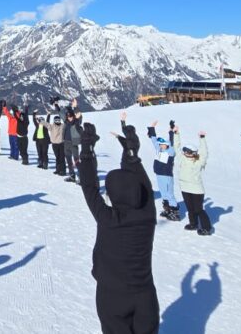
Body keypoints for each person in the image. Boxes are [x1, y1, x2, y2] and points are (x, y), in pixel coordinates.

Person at [77, 111, 159, 334]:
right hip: (145, 295)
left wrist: (86, 151)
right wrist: (131, 155)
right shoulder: (147, 215)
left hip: (111, 295)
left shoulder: (108, 218)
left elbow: (89, 187)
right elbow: (145, 189)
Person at [173, 125, 212, 235]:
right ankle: (193, 224)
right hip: (185, 187)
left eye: (188, 151)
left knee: (198, 209)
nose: (185, 153)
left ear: (193, 153)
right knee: (190, 208)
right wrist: (176, 134)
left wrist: (202, 138)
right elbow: (176, 147)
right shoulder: (182, 159)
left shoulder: (199, 162)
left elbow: (204, 153)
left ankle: (207, 228)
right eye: (185, 151)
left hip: (196, 189)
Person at [147, 121, 180, 221]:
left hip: (167, 175)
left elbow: (171, 143)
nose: (161, 145)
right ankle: (167, 210)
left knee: (169, 193)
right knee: (163, 193)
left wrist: (171, 132)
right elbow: (154, 140)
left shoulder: (170, 153)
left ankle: (175, 213)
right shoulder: (159, 149)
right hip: (159, 174)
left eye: (163, 144)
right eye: (161, 144)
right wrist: (152, 128)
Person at [62, 103, 81, 183]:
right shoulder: (66, 122)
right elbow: (60, 113)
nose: (69, 118)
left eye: (71, 116)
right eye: (68, 116)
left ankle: (80, 177)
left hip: (74, 144)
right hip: (66, 143)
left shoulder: (77, 122)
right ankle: (72, 176)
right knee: (69, 160)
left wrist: (76, 107)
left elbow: (79, 115)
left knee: (76, 161)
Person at [48, 111, 65, 175]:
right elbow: (46, 124)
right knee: (57, 157)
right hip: (54, 144)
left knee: (62, 157)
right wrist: (41, 121)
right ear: (54, 121)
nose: (57, 121)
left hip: (61, 144)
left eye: (58, 120)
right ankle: (58, 170)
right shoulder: (52, 126)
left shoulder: (63, 125)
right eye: (56, 120)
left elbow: (67, 122)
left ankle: (63, 171)